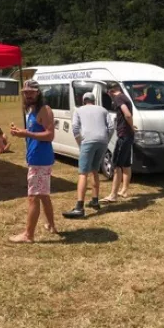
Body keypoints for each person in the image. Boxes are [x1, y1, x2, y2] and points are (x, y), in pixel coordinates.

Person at [9, 80, 57, 243]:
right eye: (25, 92)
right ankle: (51, 225)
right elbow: (33, 132)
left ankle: (28, 235)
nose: (28, 94)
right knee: (43, 195)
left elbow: (50, 135)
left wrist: (26, 134)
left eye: (31, 92)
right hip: (37, 158)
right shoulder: (33, 110)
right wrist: (21, 132)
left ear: (38, 92)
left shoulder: (44, 109)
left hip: (40, 160)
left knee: (33, 197)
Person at [63, 92, 114, 219]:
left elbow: (75, 128)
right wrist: (106, 140)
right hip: (102, 141)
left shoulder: (78, 110)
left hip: (88, 141)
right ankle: (95, 200)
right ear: (94, 100)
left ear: (83, 100)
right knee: (94, 170)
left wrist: (80, 143)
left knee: (83, 173)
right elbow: (111, 127)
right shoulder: (103, 110)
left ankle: (79, 207)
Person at [103, 82, 134, 202]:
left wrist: (131, 126)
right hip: (128, 135)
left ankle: (113, 195)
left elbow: (127, 114)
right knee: (126, 164)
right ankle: (124, 190)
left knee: (116, 166)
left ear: (110, 91)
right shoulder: (125, 97)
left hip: (123, 135)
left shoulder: (118, 98)